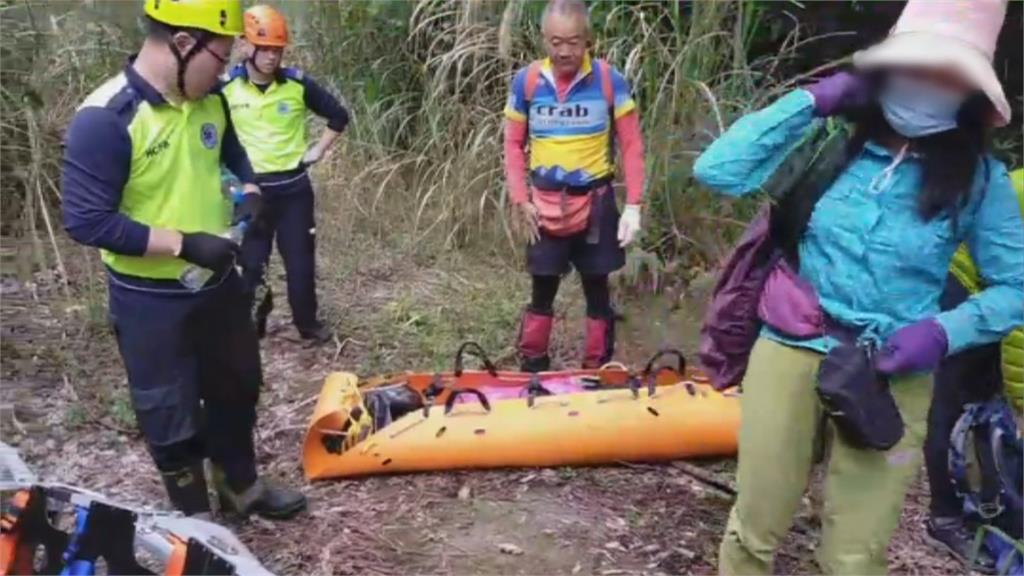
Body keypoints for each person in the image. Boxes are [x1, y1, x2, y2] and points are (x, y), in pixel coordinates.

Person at [692, 0, 1024, 573]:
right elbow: (717, 171)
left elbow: (1014, 286)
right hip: (792, 346)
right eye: (917, 63)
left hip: (892, 372)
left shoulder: (979, 181)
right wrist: (813, 101)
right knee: (754, 528)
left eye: (949, 73)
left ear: (971, 92)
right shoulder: (831, 142)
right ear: (887, 67)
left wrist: (943, 333)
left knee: (855, 554)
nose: (928, 82)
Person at [61, 0, 305, 520]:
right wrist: (183, 243)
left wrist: (250, 188)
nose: (225, 69)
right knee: (168, 413)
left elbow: (232, 156)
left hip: (218, 285)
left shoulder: (210, 97)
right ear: (182, 43)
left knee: (237, 388)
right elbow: (87, 221)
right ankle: (195, 522)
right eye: (219, 57)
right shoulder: (107, 118)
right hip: (150, 299)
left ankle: (241, 488)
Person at [504, 0, 645, 372]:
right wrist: (521, 200)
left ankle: (597, 370)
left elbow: (631, 144)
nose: (564, 50)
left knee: (597, 287)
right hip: (543, 205)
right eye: (555, 42)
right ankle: (532, 367)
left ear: (588, 40)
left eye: (573, 42)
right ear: (543, 39)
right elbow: (513, 144)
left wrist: (634, 205)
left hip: (595, 206)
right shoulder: (528, 82)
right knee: (542, 287)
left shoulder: (609, 80)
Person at [223, 4, 349, 344]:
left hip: (293, 189)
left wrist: (318, 150)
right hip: (251, 191)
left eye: (276, 50)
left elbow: (338, 115)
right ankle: (251, 327)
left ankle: (308, 325)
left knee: (300, 264)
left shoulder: (297, 84)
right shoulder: (226, 89)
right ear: (246, 45)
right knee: (252, 264)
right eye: (264, 49)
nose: (270, 57)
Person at [922, 167, 1024, 571]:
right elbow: (1020, 331)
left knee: (989, 406)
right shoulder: (1015, 190)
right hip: (963, 284)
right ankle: (945, 517)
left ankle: (993, 502)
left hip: (1001, 290)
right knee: (955, 402)